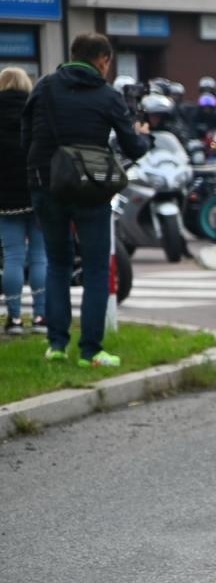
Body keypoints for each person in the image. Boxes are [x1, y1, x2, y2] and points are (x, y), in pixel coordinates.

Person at [22, 32, 149, 366]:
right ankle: (90, 351)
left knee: (57, 262)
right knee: (94, 268)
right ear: (103, 60)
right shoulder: (107, 96)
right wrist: (143, 136)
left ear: (72, 53)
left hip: (45, 183)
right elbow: (133, 147)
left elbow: (27, 134)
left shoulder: (45, 87)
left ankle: (57, 346)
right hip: (89, 187)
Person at [0, 67, 47, 334]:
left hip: (5, 199)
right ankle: (40, 317)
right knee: (40, 256)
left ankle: (14, 319)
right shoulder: (36, 112)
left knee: (13, 257)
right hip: (36, 193)